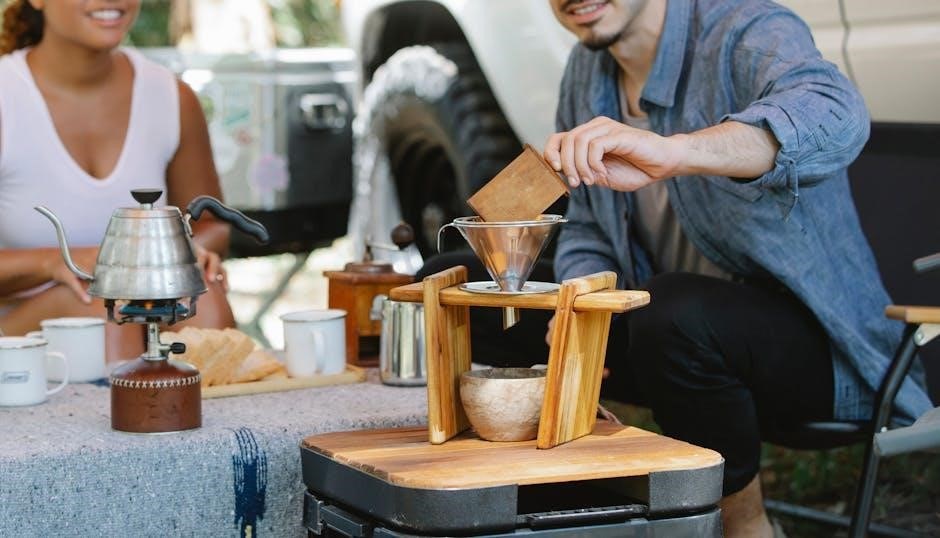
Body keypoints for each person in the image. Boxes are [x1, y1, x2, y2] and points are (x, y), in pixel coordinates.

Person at [534, 0, 934, 536]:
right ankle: (534, 513)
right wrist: (583, 297)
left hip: (822, 356)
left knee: (672, 312)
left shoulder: (746, 28)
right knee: (474, 284)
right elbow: (588, 224)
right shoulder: (586, 72)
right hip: (670, 351)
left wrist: (678, 152)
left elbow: (837, 113)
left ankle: (745, 527)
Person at [0, 0, 235, 361]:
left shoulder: (171, 96)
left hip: (134, 310)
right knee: (103, 310)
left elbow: (212, 224)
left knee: (200, 296)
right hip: (18, 333)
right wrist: (58, 262)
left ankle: (219, 401)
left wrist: (177, 254)